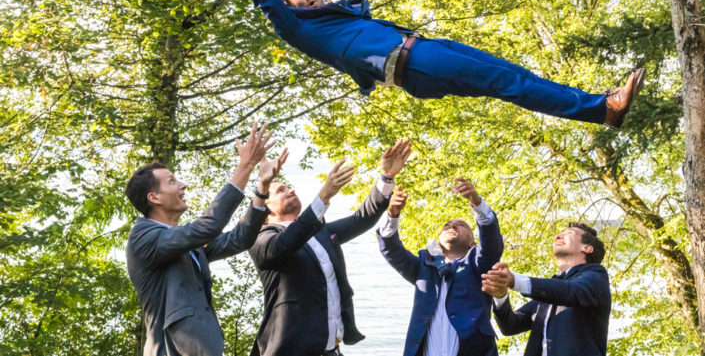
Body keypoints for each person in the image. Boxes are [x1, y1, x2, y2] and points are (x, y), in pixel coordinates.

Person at [198, 0, 644, 128]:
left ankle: (600, 106)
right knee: (507, 81)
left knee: (512, 76)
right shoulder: (297, 27)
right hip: (413, 63)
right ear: (289, 4)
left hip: (422, 50)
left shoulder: (339, 15)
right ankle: (600, 109)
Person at [125, 122, 287, 356]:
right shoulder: (144, 238)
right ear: (154, 197)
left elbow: (238, 239)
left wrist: (262, 190)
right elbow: (208, 226)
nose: (183, 185)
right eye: (172, 181)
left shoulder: (181, 241)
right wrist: (246, 165)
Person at [248, 138, 413, 356]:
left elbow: (360, 219)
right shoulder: (262, 239)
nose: (291, 191)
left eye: (289, 187)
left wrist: (386, 178)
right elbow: (286, 243)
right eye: (281, 190)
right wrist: (324, 195)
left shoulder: (320, 232)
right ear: (266, 211)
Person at [377, 179, 503, 356]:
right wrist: (392, 215)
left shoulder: (479, 263)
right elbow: (392, 250)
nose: (452, 225)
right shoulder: (423, 265)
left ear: (472, 243)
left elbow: (492, 244)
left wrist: (477, 203)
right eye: (447, 225)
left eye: (461, 225)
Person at [481, 223, 611, 356]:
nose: (557, 236)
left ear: (587, 248)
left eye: (569, 233)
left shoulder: (596, 276)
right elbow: (510, 326)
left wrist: (515, 280)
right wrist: (500, 296)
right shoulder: (550, 292)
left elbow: (571, 291)